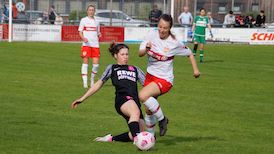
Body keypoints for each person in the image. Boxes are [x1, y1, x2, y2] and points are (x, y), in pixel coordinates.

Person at [138, 14, 200, 137]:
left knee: (142, 95)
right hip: (150, 76)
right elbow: (140, 54)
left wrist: (196, 70)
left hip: (164, 79)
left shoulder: (174, 43)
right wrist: (146, 48)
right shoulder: (151, 34)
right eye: (160, 26)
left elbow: (189, 53)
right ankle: (150, 138)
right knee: (148, 110)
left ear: (170, 28)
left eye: (165, 28)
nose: (161, 30)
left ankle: (162, 120)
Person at [71, 43, 145, 143]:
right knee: (135, 115)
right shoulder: (112, 68)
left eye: (127, 54)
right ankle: (139, 142)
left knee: (138, 132)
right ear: (116, 55)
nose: (125, 57)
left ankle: (110, 138)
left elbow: (148, 86)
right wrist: (82, 98)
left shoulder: (135, 69)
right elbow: (98, 84)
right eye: (122, 54)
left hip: (135, 102)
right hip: (122, 99)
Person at [78, 5, 101, 88]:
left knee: (96, 65)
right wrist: (83, 38)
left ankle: (92, 80)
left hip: (95, 45)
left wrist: (99, 34)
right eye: (90, 10)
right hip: (86, 45)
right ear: (87, 11)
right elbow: (80, 31)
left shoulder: (97, 21)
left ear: (94, 11)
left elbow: (98, 32)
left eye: (92, 10)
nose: (91, 11)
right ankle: (85, 83)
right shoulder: (83, 20)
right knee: (85, 63)